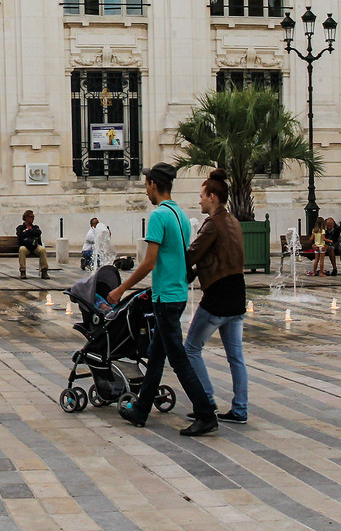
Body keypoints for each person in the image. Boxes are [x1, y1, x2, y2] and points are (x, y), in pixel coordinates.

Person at [107, 163, 219, 436]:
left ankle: (205, 414)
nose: (145, 190)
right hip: (176, 293)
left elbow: (149, 262)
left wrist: (122, 288)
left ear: (154, 185)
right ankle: (141, 409)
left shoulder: (159, 216)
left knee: (178, 359)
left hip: (166, 297)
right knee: (156, 356)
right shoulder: (179, 214)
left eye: (146, 185)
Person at [183, 169, 250, 425]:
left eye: (201, 196)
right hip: (237, 294)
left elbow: (192, 255)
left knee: (190, 349)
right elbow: (217, 256)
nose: (199, 200)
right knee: (236, 357)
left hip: (218, 297)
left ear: (212, 197)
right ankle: (240, 410)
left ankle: (207, 401)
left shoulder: (213, 224)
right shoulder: (232, 220)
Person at [12, 210, 46, 276]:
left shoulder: (35, 227)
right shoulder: (20, 227)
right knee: (22, 250)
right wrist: (30, 232)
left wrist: (27, 231)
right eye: (31, 217)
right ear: (26, 217)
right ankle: (22, 271)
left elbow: (38, 232)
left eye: (33, 217)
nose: (33, 218)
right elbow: (20, 235)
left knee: (42, 250)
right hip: (25, 246)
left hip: (34, 246)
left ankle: (44, 270)